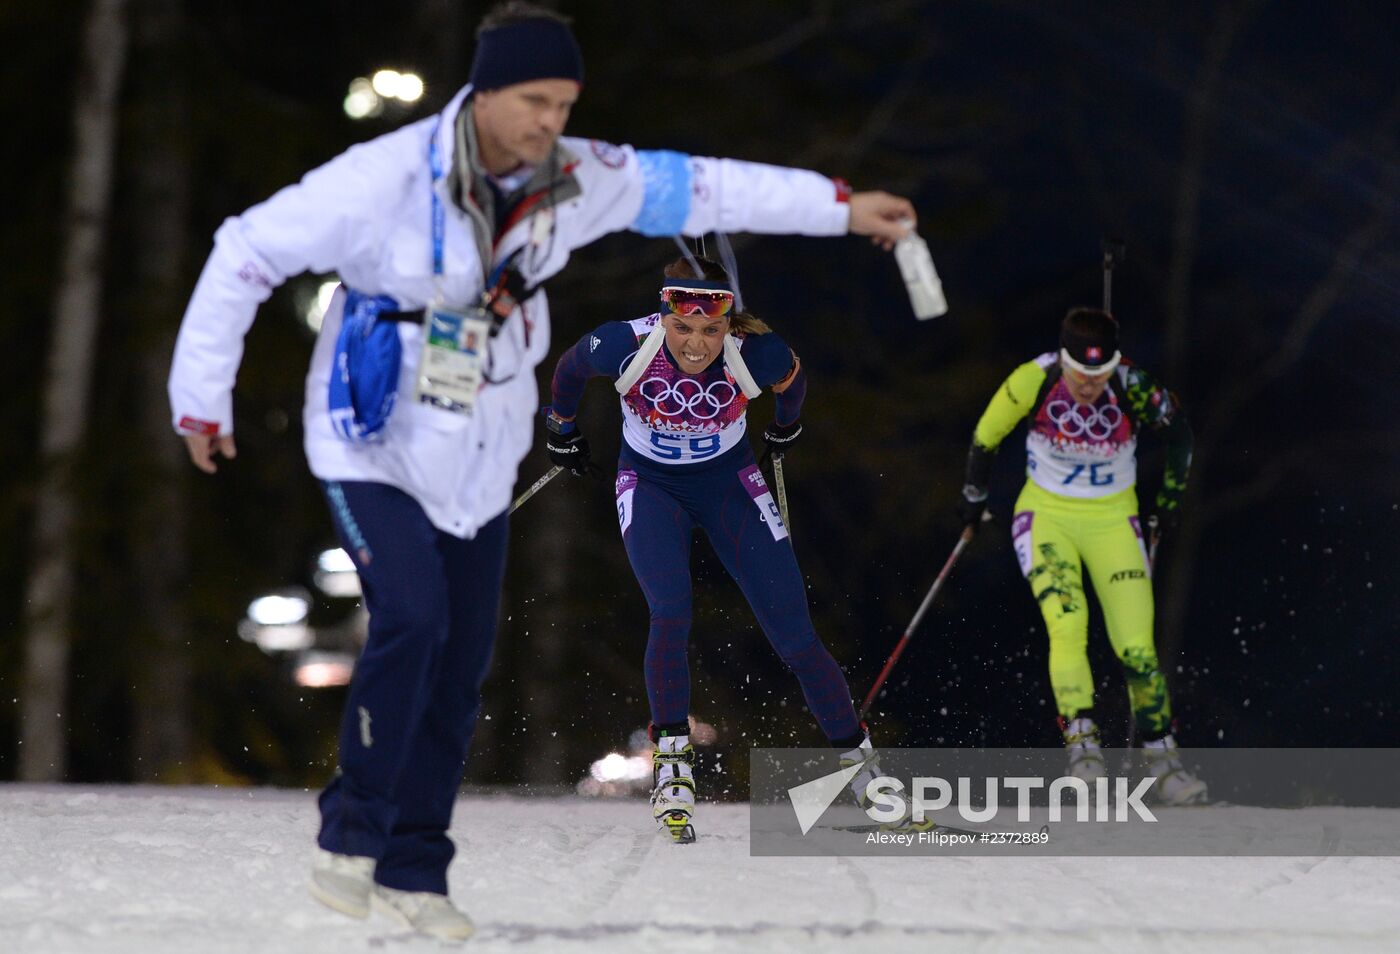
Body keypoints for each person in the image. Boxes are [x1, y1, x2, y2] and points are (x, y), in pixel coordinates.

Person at [167, 1, 917, 937]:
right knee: (413, 617)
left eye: (565, 103)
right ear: (482, 93)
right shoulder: (384, 178)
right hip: (373, 438)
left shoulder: (578, 177)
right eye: (532, 101)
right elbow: (245, 251)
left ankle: (414, 871)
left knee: (461, 670)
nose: (550, 123)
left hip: (480, 451)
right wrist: (199, 396)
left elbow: (705, 187)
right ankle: (352, 832)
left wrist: (843, 209)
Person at [543, 256, 880, 843]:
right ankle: (672, 766)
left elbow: (793, 383)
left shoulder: (758, 351)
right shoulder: (625, 343)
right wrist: (560, 429)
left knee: (796, 635)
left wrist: (786, 426)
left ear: (729, 325)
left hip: (730, 485)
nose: (696, 344)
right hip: (650, 487)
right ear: (664, 315)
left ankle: (863, 773)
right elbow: (571, 368)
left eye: (711, 331)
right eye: (683, 328)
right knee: (670, 610)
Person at [956, 307, 1207, 805]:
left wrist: (1168, 505)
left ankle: (1164, 761)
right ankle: (1084, 748)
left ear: (1114, 364)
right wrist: (973, 500)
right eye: (1079, 374)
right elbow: (986, 436)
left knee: (1136, 646)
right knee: (1067, 623)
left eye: (1099, 375)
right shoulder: (1036, 377)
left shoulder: (1133, 385)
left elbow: (1180, 435)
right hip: (1047, 518)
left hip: (1114, 523)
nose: (1088, 387)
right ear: (1063, 359)